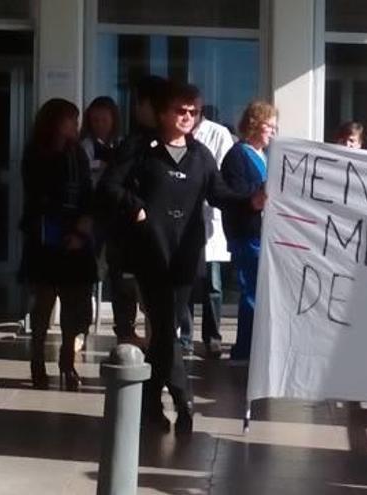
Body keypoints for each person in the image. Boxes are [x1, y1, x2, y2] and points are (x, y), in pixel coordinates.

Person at [99, 82, 266, 435]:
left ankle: (150, 404)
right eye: (181, 110)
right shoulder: (141, 148)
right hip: (150, 252)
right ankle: (182, 397)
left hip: (185, 256)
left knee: (165, 331)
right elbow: (110, 186)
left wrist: (252, 200)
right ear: (163, 113)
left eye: (194, 111)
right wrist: (136, 208)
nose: (188, 117)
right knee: (164, 327)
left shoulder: (201, 155)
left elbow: (220, 194)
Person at [18, 98, 96, 391]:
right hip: (45, 237)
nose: (74, 127)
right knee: (43, 304)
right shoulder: (37, 153)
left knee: (74, 306)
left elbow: (87, 192)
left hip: (76, 236)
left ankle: (67, 363)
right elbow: (38, 196)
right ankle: (37, 362)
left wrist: (82, 228)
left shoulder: (78, 154)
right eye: (70, 120)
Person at [98, 76, 167, 346]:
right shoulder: (136, 143)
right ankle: (130, 341)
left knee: (155, 305)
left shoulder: (180, 145)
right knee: (132, 292)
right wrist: (136, 206)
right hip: (133, 238)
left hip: (159, 240)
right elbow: (110, 185)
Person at [220, 100, 277, 361]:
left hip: (264, 233)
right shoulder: (237, 156)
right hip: (247, 233)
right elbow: (235, 195)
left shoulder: (265, 155)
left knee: (260, 290)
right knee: (251, 290)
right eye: (269, 126)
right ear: (254, 125)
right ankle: (243, 349)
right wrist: (255, 198)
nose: (273, 132)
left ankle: (253, 346)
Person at [178, 98, 236, 358]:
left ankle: (212, 336)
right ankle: (186, 336)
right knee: (187, 280)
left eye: (194, 111)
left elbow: (222, 171)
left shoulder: (218, 133)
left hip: (209, 214)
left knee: (212, 283)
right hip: (185, 218)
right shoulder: (177, 134)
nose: (189, 116)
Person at [80, 96, 121, 186]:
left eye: (104, 120)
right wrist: (98, 164)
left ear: (113, 120)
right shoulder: (87, 144)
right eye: (95, 120)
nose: (100, 124)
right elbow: (81, 166)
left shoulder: (120, 142)